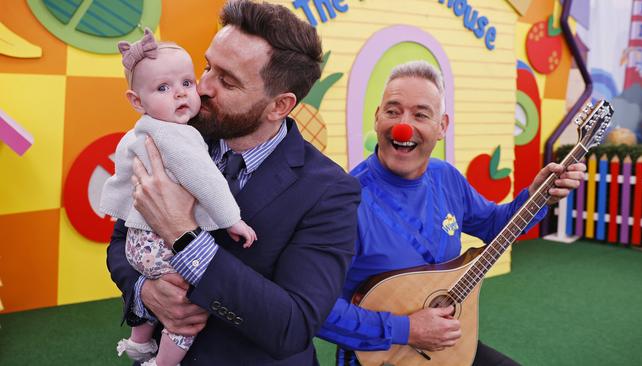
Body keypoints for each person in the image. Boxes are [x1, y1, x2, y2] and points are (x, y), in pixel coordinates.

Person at [106, 1, 360, 365]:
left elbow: (293, 325)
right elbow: (121, 240)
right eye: (207, 66)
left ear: (279, 106)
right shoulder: (172, 134)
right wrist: (144, 291)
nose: (202, 87)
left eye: (226, 80)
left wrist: (185, 235)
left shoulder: (331, 192)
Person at [316, 61, 586, 365]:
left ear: (442, 126)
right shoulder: (344, 202)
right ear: (377, 117)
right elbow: (316, 309)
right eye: (393, 111)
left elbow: (495, 225)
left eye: (420, 114)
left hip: (446, 348)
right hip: (384, 356)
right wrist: (407, 329)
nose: (404, 125)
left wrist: (536, 196)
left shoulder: (447, 178)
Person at [100, 29, 257, 366]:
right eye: (163, 88)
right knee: (190, 304)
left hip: (139, 244)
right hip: (162, 247)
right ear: (136, 101)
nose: (182, 94)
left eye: (187, 82)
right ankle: (163, 363)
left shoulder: (138, 131)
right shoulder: (177, 136)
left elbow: (121, 178)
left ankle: (139, 341)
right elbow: (206, 180)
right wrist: (232, 219)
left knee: (162, 293)